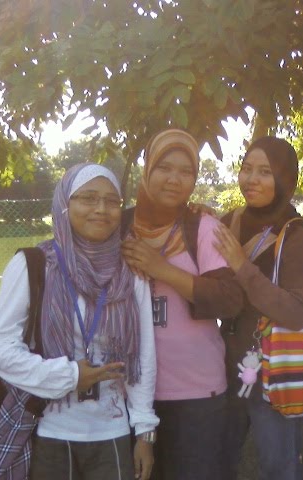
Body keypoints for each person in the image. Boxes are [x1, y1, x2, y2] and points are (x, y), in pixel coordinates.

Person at [0, 163, 158, 479]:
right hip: (47, 430)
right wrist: (68, 376)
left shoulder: (131, 272)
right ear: (65, 203)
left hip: (112, 432)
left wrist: (144, 432)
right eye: (88, 198)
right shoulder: (34, 265)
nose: (100, 208)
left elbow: (142, 357)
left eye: (111, 201)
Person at [120, 129, 243, 480]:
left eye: (186, 171)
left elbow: (230, 299)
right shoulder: (119, 227)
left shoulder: (202, 228)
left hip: (197, 395)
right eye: (164, 167)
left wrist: (162, 269)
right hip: (128, 392)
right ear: (147, 169)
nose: (174, 179)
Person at [213, 136, 303, 480]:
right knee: (218, 459)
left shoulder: (298, 235)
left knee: (279, 466)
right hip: (225, 365)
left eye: (265, 171)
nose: (251, 179)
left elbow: (296, 312)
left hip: (274, 371)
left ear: (284, 179)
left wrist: (242, 266)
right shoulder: (230, 221)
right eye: (247, 169)